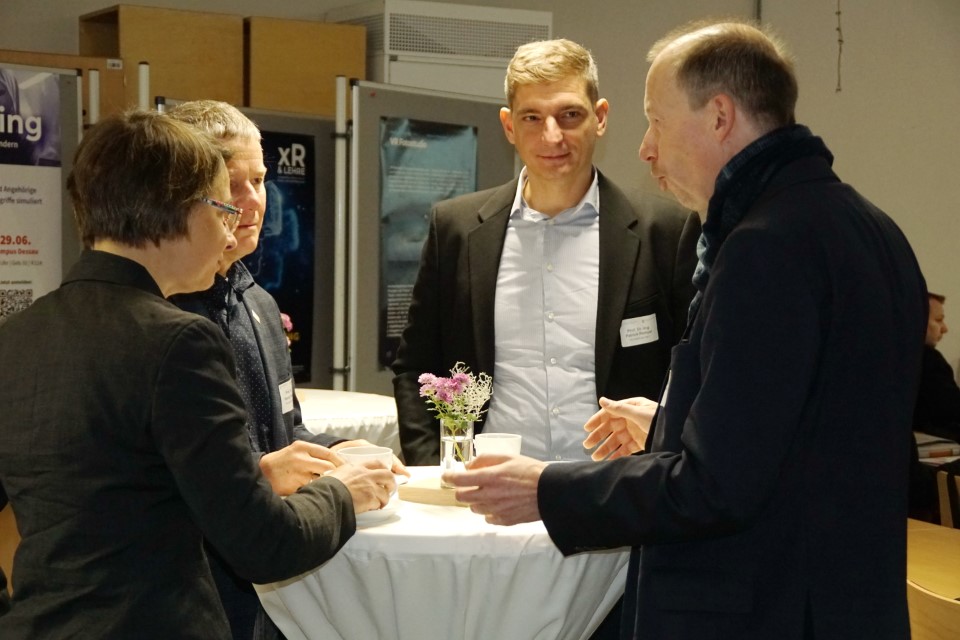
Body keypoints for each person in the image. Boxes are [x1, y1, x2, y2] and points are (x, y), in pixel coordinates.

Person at [444, 19, 926, 640]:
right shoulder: (872, 228)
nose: (645, 148)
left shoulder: (763, 249)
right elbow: (802, 436)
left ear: (720, 116)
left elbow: (715, 488)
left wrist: (547, 488)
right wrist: (674, 425)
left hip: (764, 609)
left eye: (657, 122)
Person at [0, 110, 395, 639]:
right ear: (177, 208)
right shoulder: (178, 340)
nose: (233, 225)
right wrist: (344, 491)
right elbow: (264, 544)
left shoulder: (19, 332)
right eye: (222, 206)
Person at [392, 38, 700, 464]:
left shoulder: (665, 230)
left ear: (600, 117)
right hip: (487, 496)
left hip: (618, 499)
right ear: (509, 126)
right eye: (532, 117)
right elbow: (415, 366)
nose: (552, 135)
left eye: (569, 114)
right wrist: (433, 470)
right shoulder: (457, 230)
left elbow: (695, 370)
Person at [166, 99, 407, 640]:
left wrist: (339, 450)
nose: (252, 201)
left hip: (279, 593)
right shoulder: (163, 319)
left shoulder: (260, 304)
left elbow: (283, 426)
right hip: (194, 592)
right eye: (234, 183)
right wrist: (266, 472)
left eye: (261, 180)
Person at [914, 292, 960, 439]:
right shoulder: (928, 359)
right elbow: (951, 410)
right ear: (917, 320)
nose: (945, 328)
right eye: (938, 320)